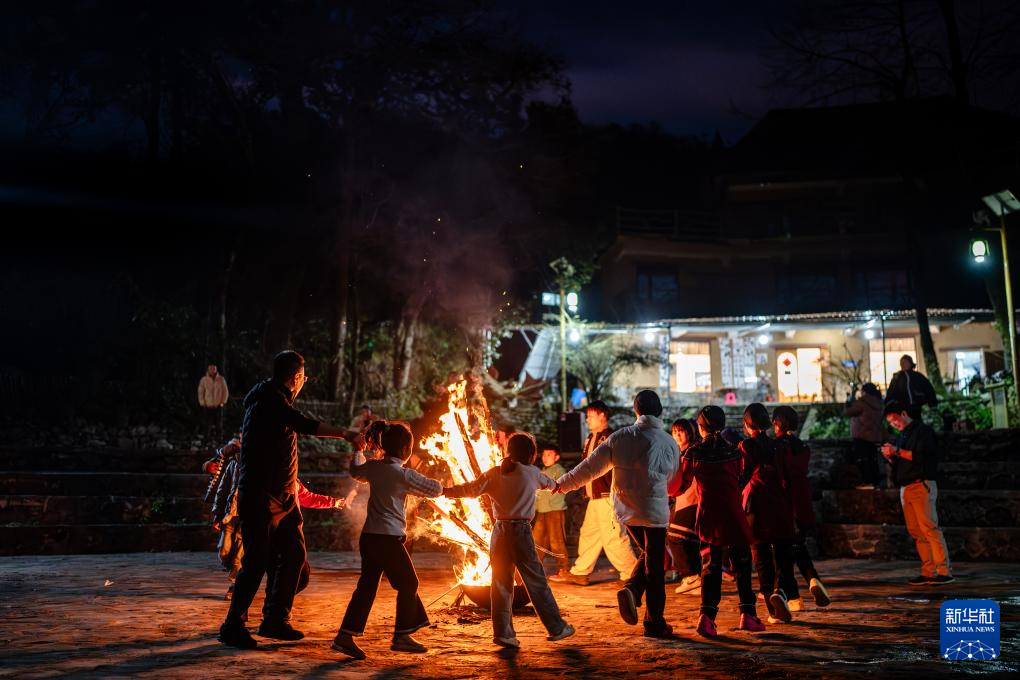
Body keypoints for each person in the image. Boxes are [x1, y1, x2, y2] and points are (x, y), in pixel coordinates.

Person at [217, 350, 351, 650]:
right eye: (303, 377)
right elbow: (304, 424)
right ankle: (233, 626)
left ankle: (275, 618)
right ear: (295, 378)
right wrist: (346, 433)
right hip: (262, 496)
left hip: (283, 498)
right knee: (256, 562)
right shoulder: (269, 401)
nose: (304, 382)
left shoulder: (271, 398)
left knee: (293, 557)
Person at [555, 390, 679, 639]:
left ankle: (632, 590)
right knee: (654, 567)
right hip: (654, 512)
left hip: (626, 510)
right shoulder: (668, 442)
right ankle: (653, 621)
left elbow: (589, 468)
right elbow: (673, 480)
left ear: (635, 411)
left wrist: (560, 484)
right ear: (660, 412)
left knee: (647, 555)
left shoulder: (619, 437)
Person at [444, 433, 576, 649]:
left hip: (499, 532)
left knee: (500, 584)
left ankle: (503, 634)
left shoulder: (495, 472)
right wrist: (569, 483)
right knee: (535, 581)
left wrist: (445, 491)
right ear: (531, 454)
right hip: (520, 531)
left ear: (509, 451)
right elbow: (554, 485)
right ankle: (557, 627)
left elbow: (471, 489)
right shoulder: (532, 473)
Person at [333, 421, 444, 660]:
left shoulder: (374, 468)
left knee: (367, 587)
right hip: (387, 539)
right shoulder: (403, 474)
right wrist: (443, 486)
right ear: (405, 450)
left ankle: (345, 636)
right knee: (409, 583)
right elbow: (435, 489)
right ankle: (402, 636)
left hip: (369, 538)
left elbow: (355, 471)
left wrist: (359, 451)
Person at [208, 434, 347, 601]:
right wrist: (218, 514)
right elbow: (223, 490)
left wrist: (333, 502)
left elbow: (307, 497)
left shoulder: (287, 478)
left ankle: (257, 596)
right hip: (243, 521)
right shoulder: (242, 468)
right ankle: (264, 600)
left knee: (293, 572)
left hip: (272, 528)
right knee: (229, 553)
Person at [677, 405, 763, 638]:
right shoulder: (735, 451)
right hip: (734, 514)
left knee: (711, 567)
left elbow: (680, 485)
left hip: (709, 516)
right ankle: (748, 615)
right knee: (742, 565)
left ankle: (706, 618)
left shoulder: (694, 453)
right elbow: (743, 478)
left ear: (700, 427)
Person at [566, 400, 639, 586]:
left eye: (590, 416)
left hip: (608, 496)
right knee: (589, 534)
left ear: (602, 416)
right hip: (594, 497)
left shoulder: (612, 438)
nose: (587, 419)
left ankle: (632, 573)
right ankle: (580, 571)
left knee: (614, 537)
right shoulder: (590, 439)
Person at [881, 401, 954, 585]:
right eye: (890, 423)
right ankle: (928, 571)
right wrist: (891, 456)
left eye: (895, 420)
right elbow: (903, 460)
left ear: (903, 413)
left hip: (921, 484)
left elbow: (921, 457)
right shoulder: (902, 435)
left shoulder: (923, 432)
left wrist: (897, 451)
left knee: (929, 528)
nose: (894, 424)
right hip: (905, 487)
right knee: (917, 532)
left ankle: (944, 571)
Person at [739, 403, 797, 625]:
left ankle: (772, 610)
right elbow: (788, 478)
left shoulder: (746, 447)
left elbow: (741, 477)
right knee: (783, 555)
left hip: (755, 507)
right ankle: (780, 590)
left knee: (762, 558)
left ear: (747, 425)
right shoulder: (778, 446)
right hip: (779, 505)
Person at [772, 405, 831, 610]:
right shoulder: (802, 447)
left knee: (783, 553)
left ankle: (792, 596)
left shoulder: (777, 447)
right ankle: (812, 580)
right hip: (802, 502)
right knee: (797, 546)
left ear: (777, 424)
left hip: (784, 503)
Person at [667, 419, 702, 596]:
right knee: (689, 540)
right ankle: (696, 580)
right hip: (681, 500)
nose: (677, 435)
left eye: (681, 431)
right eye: (674, 432)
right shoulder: (678, 453)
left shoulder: (692, 452)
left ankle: (690, 576)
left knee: (675, 537)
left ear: (690, 433)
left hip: (692, 499)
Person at [533, 447, 570, 581]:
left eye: (549, 454)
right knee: (536, 541)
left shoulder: (559, 470)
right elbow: (537, 493)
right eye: (544, 455)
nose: (545, 457)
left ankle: (563, 570)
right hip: (542, 511)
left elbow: (560, 488)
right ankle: (533, 570)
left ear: (557, 457)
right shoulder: (541, 472)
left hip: (555, 510)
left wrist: (552, 502)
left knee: (557, 541)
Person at [844, 383, 886, 489]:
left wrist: (848, 402)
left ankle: (867, 483)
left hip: (861, 437)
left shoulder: (862, 403)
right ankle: (876, 483)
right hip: (875, 437)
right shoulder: (879, 403)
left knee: (863, 462)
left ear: (864, 392)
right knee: (873, 461)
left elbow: (847, 412)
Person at [886, 355, 938, 421]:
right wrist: (890, 405)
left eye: (905, 362)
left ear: (910, 363)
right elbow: (891, 393)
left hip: (917, 408)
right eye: (901, 363)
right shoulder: (897, 378)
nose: (903, 364)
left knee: (916, 424)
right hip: (902, 410)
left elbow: (929, 390)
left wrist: (932, 404)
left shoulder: (918, 376)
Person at [198, 364, 230, 443]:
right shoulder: (204, 380)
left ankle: (219, 439)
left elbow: (225, 392)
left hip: (218, 405)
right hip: (208, 405)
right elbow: (201, 391)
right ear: (208, 369)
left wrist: (223, 402)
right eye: (211, 369)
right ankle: (206, 439)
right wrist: (202, 402)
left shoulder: (221, 379)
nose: (212, 370)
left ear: (216, 369)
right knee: (207, 424)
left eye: (214, 368)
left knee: (219, 424)